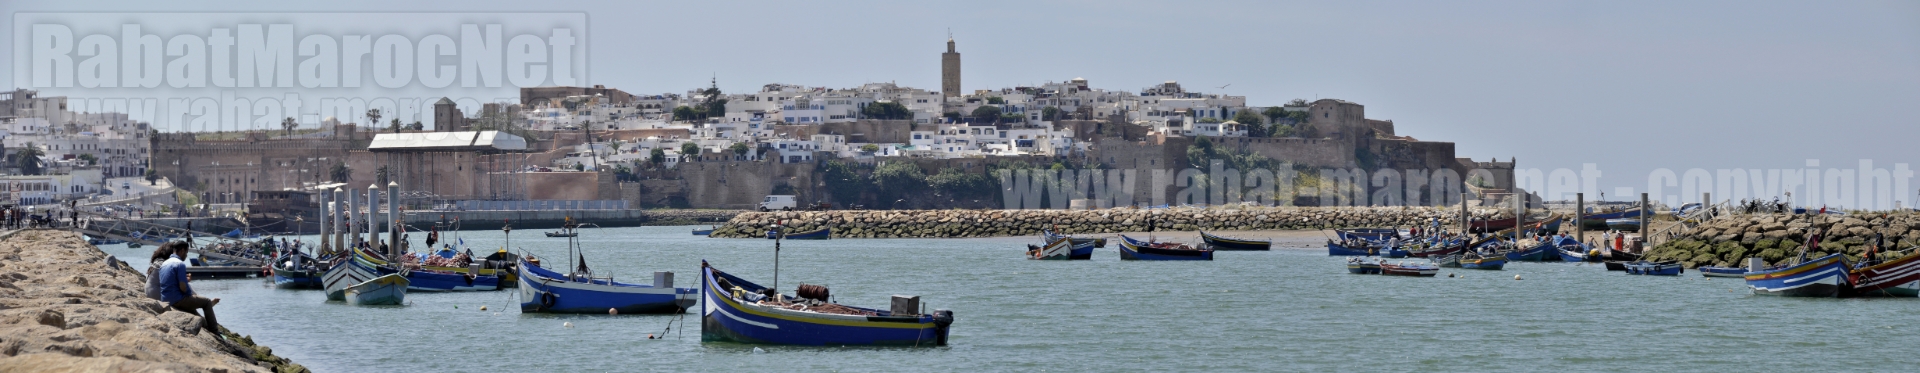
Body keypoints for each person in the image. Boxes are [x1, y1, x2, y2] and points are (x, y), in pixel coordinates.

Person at [157, 241, 221, 333]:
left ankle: (207, 328)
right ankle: (214, 330)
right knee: (206, 302)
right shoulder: (180, 264)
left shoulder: (164, 263)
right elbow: (183, 287)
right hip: (177, 300)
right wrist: (190, 295)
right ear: (182, 250)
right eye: (186, 253)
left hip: (165, 299)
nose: (186, 255)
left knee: (196, 315)